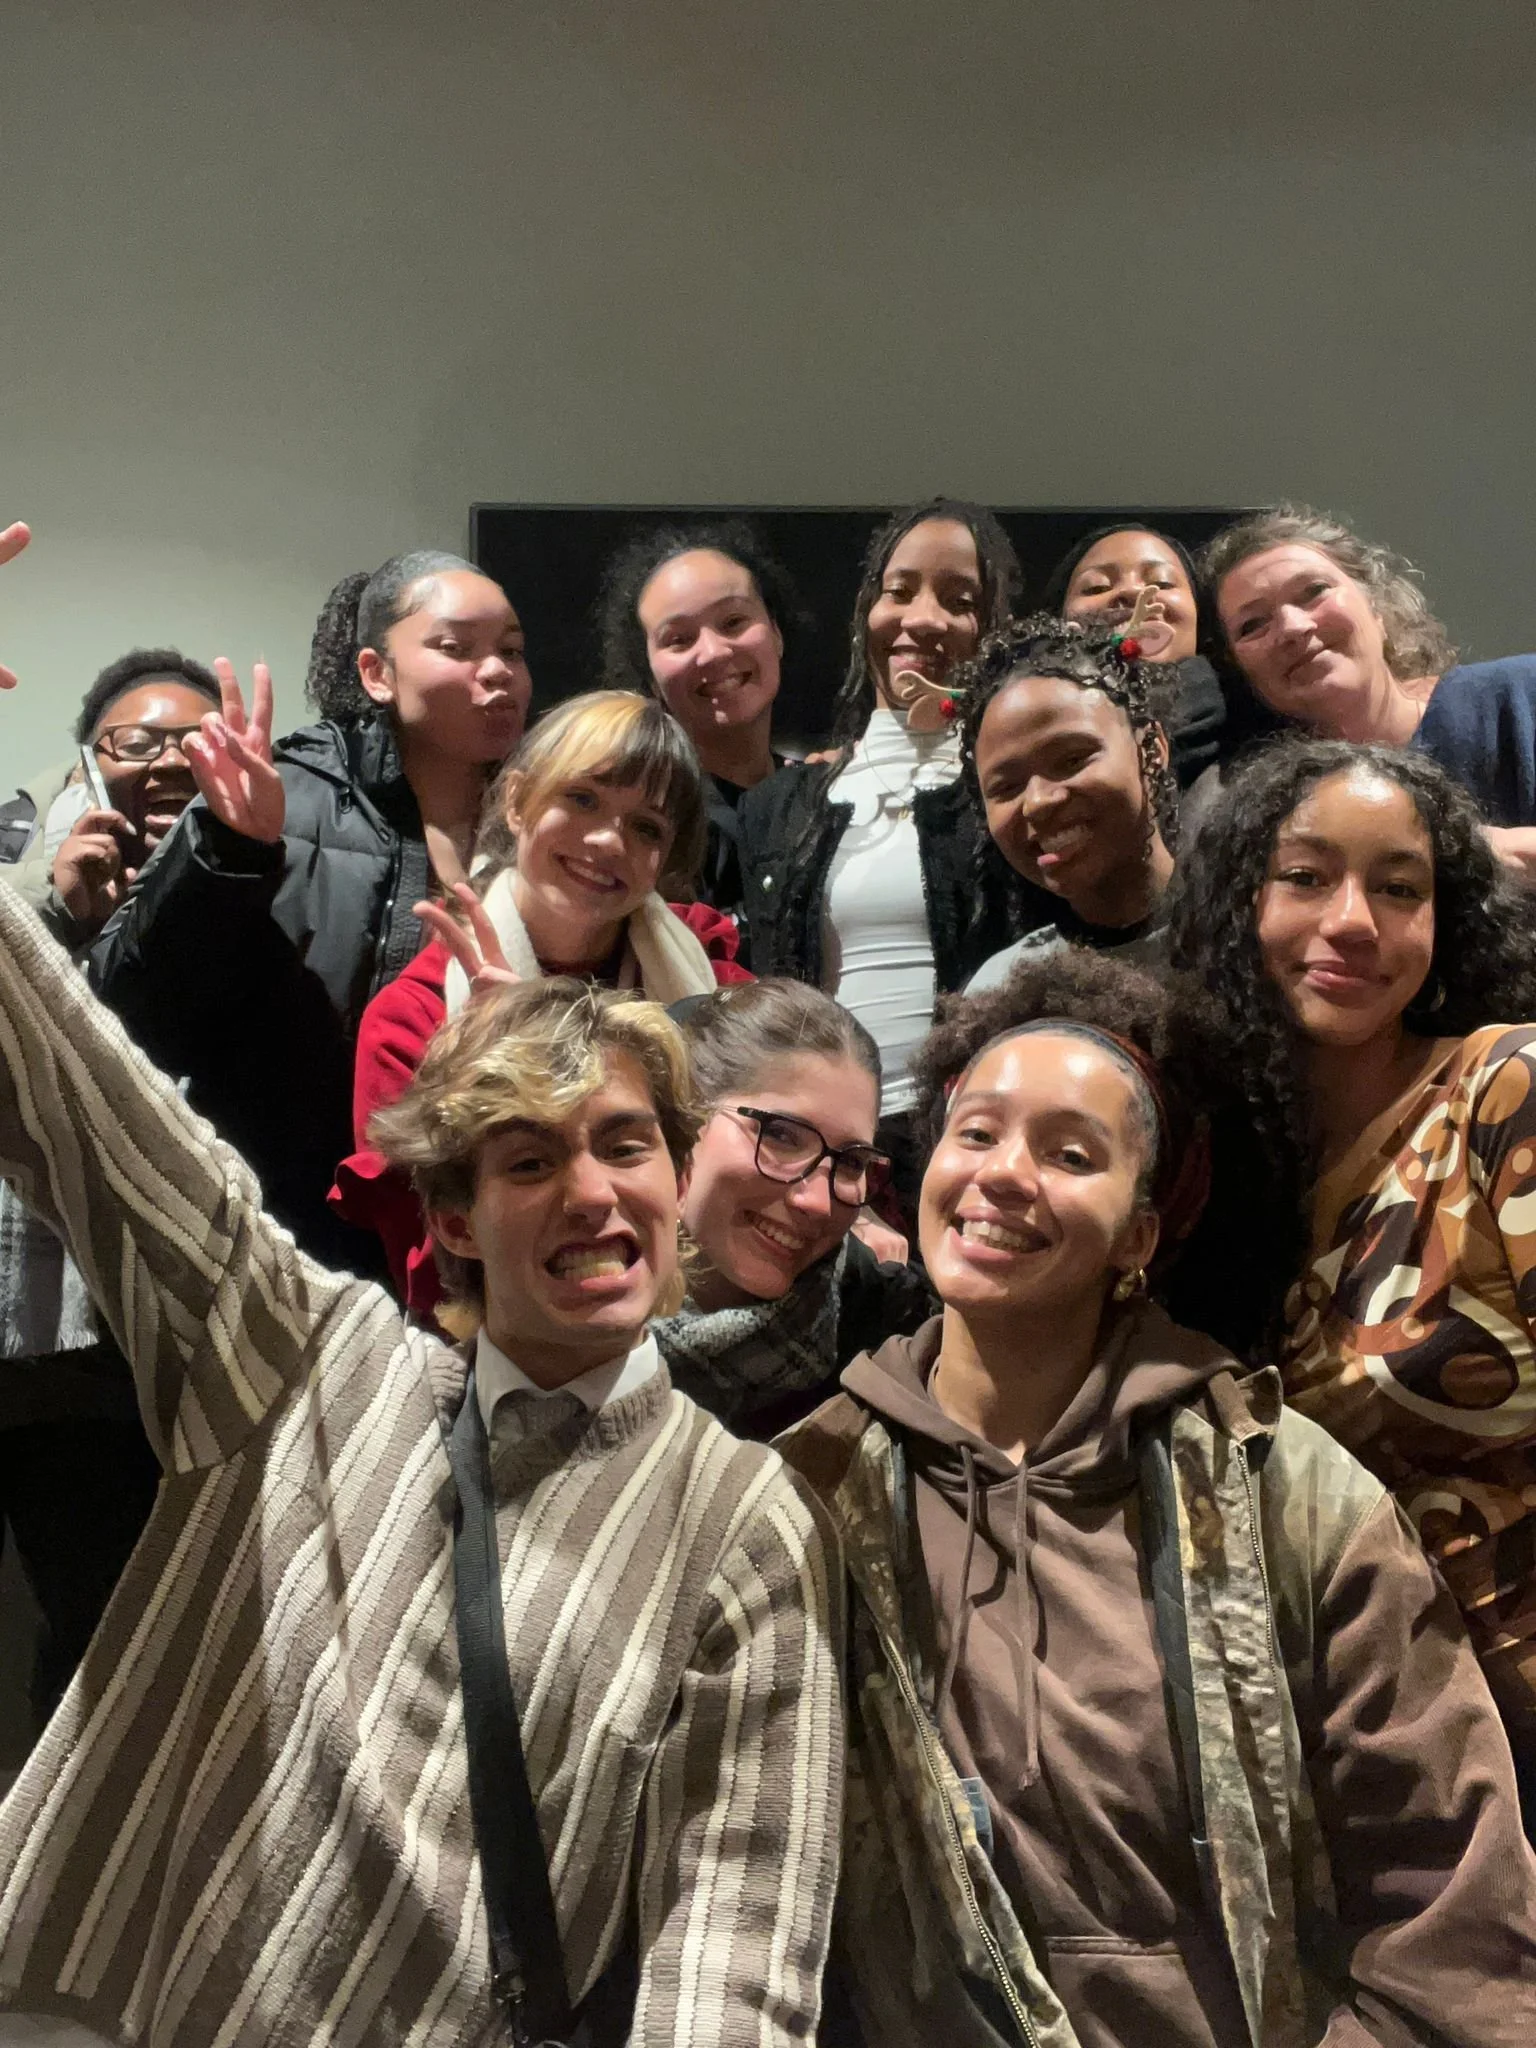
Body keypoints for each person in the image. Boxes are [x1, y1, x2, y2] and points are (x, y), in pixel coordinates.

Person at [0, 876, 843, 2046]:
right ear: (453, 1218)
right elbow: (82, 1097)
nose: (591, 1191)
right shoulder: (306, 1361)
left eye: (625, 1144)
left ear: (676, 1178)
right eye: (529, 1161)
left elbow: (735, 1950)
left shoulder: (745, 1520)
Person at [777, 949, 1536, 2048]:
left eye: (1070, 1153)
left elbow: (1450, 1913)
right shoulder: (810, 1492)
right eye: (975, 1133)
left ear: (1140, 1234)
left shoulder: (1287, 1495)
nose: (1003, 1173)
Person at [1170, 735, 1536, 1800]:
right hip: (1408, 1774)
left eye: (1399, 888)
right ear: (1238, 905)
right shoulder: (1229, 1195)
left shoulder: (1503, 1090)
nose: (1353, 921)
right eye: (1306, 876)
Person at [89, 552, 531, 1268]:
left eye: (511, 650)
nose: (497, 672)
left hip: (487, 1236)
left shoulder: (544, 816)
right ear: (376, 673)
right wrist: (233, 851)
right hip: (287, 1244)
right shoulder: (274, 794)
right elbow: (126, 1018)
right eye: (457, 647)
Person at [333, 690, 750, 1316]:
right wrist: (498, 1060)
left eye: (646, 827)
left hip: (709, 1317)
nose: (608, 840)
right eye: (581, 799)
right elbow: (433, 1273)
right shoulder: (416, 1018)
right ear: (516, 801)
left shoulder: (710, 972)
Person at [0, 648, 216, 1733]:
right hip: (25, 1315)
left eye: (195, 740)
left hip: (141, 1338)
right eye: (137, 740)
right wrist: (55, 910)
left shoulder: (255, 880)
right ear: (87, 756)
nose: (167, 760)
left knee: (125, 1644)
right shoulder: (15, 853)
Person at [736, 498, 1024, 1202]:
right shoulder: (778, 807)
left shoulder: (1013, 793)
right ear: (867, 608)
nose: (922, 619)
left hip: (969, 1151)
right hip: (816, 1158)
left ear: (993, 628)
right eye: (899, 591)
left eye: (959, 601)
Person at [655, 980, 934, 1437]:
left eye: (851, 1162)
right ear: (683, 1117)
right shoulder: (562, 1313)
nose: (818, 1203)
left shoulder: (894, 1332)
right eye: (781, 1136)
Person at [1204, 503, 1536, 872]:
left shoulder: (1521, 693)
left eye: (1314, 591)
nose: (1292, 628)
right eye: (1252, 625)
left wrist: (1482, 851)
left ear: (1375, 606)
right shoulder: (1261, 808)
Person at [598, 520, 802, 941]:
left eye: (733, 621)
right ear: (650, 677)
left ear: (776, 634)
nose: (713, 652)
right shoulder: (644, 825)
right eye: (678, 639)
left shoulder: (828, 794)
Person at [957, 616, 1179, 991]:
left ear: (1151, 750)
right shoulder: (1001, 992)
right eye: (1007, 787)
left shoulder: (1261, 937)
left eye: (1073, 760)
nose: (1037, 802)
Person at [5, 648, 220, 944]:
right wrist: (55, 903)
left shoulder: (276, 860)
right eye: (136, 744)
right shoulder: (11, 842)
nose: (173, 761)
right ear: (87, 768)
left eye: (203, 744)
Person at [1043, 522, 1228, 786]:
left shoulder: (1261, 736)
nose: (1131, 591)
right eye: (1096, 587)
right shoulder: (1009, 743)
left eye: (1162, 583)